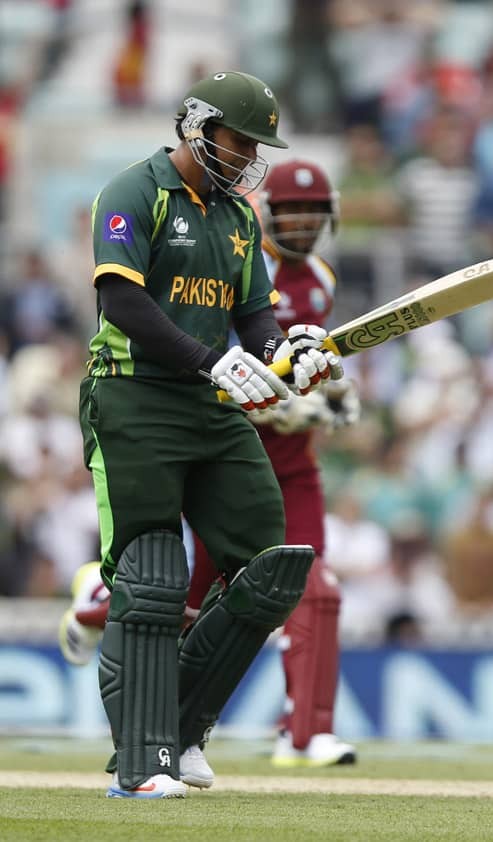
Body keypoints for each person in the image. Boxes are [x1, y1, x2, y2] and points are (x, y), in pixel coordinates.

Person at [62, 70, 344, 799]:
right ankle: (139, 765)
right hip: (133, 397)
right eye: (237, 139)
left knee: (271, 566)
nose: (248, 155)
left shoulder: (241, 217)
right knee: (152, 576)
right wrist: (210, 359)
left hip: (209, 405)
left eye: (257, 146)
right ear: (197, 124)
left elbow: (254, 316)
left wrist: (290, 349)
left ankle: (180, 729)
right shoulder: (134, 192)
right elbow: (121, 299)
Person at [189, 158, 360, 767]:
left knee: (316, 587)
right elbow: (215, 361)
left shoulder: (322, 278)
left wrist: (334, 393)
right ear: (269, 211)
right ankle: (93, 600)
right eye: (295, 210)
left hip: (294, 467)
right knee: (185, 601)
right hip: (226, 461)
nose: (306, 223)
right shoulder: (240, 265)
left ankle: (305, 734)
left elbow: (315, 360)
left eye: (315, 212)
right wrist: (271, 408)